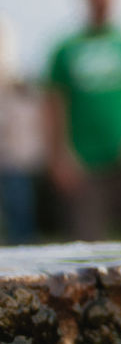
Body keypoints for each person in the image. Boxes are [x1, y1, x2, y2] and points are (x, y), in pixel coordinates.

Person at [44, 0, 121, 241]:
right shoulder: (67, 48)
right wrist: (58, 154)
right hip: (84, 159)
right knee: (87, 239)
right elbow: (53, 104)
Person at [0, 79, 44, 243]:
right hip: (11, 162)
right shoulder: (9, 104)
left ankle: (24, 236)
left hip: (22, 161)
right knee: (16, 203)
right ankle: (20, 236)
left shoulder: (30, 104)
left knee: (22, 203)